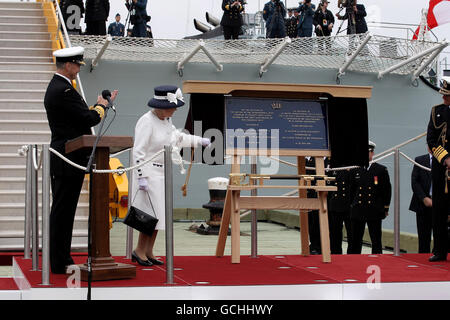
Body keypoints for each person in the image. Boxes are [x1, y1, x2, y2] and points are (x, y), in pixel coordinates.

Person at [44, 46, 117, 274]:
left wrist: (96, 107)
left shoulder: (60, 87)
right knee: (63, 213)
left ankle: (60, 260)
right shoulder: (63, 90)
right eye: (76, 65)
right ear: (68, 65)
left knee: (63, 211)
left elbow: (78, 118)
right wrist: (102, 106)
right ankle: (60, 262)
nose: (78, 70)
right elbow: (89, 117)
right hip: (67, 158)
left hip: (67, 157)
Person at [130, 85, 211, 266]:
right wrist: (141, 176)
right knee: (148, 216)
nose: (175, 110)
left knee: (159, 215)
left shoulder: (166, 121)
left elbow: (178, 139)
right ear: (161, 106)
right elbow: (139, 151)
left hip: (162, 173)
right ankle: (139, 250)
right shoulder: (147, 121)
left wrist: (199, 141)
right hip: (148, 173)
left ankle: (149, 251)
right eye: (173, 107)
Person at [348, 141, 392, 254]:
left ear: (372, 153)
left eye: (368, 152)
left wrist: (385, 208)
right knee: (355, 240)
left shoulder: (381, 170)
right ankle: (354, 260)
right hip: (358, 209)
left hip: (374, 209)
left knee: (376, 240)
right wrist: (352, 205)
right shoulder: (355, 170)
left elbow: (386, 190)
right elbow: (351, 190)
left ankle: (377, 260)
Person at [426, 76, 450, 262]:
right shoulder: (437, 112)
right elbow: (431, 140)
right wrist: (446, 158)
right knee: (439, 210)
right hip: (442, 169)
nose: (444, 99)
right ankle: (440, 250)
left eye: (447, 96)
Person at [408, 148, 433, 253]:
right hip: (423, 205)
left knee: (443, 238)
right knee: (423, 238)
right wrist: (424, 198)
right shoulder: (420, 160)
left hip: (441, 205)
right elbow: (414, 182)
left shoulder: (446, 161)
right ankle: (423, 261)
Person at [327, 167, 353, 254]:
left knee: (352, 232)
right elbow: (329, 184)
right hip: (336, 204)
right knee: (335, 231)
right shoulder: (333, 168)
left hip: (349, 204)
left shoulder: (354, 168)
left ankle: (352, 254)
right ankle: (335, 252)